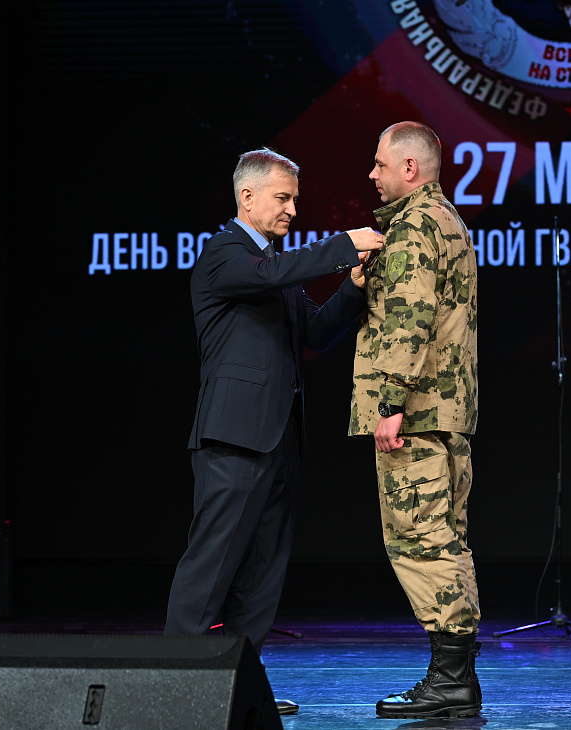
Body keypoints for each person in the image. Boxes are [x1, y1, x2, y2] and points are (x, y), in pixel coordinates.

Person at [165, 148, 383, 715]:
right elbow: (271, 274)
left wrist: (353, 286)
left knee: (262, 574)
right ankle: (177, 686)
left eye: (294, 200)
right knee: (211, 563)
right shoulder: (225, 253)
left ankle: (238, 686)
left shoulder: (272, 266)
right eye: (283, 198)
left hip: (280, 439)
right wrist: (342, 245)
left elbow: (315, 333)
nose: (292, 209)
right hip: (234, 437)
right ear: (247, 196)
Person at [349, 122, 481, 718]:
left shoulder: (413, 225)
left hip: (417, 415)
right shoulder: (447, 219)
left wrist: (390, 403)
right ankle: (456, 677)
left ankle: (451, 680)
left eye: (380, 164)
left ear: (410, 168)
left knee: (420, 541)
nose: (372, 174)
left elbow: (410, 317)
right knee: (445, 539)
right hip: (444, 411)